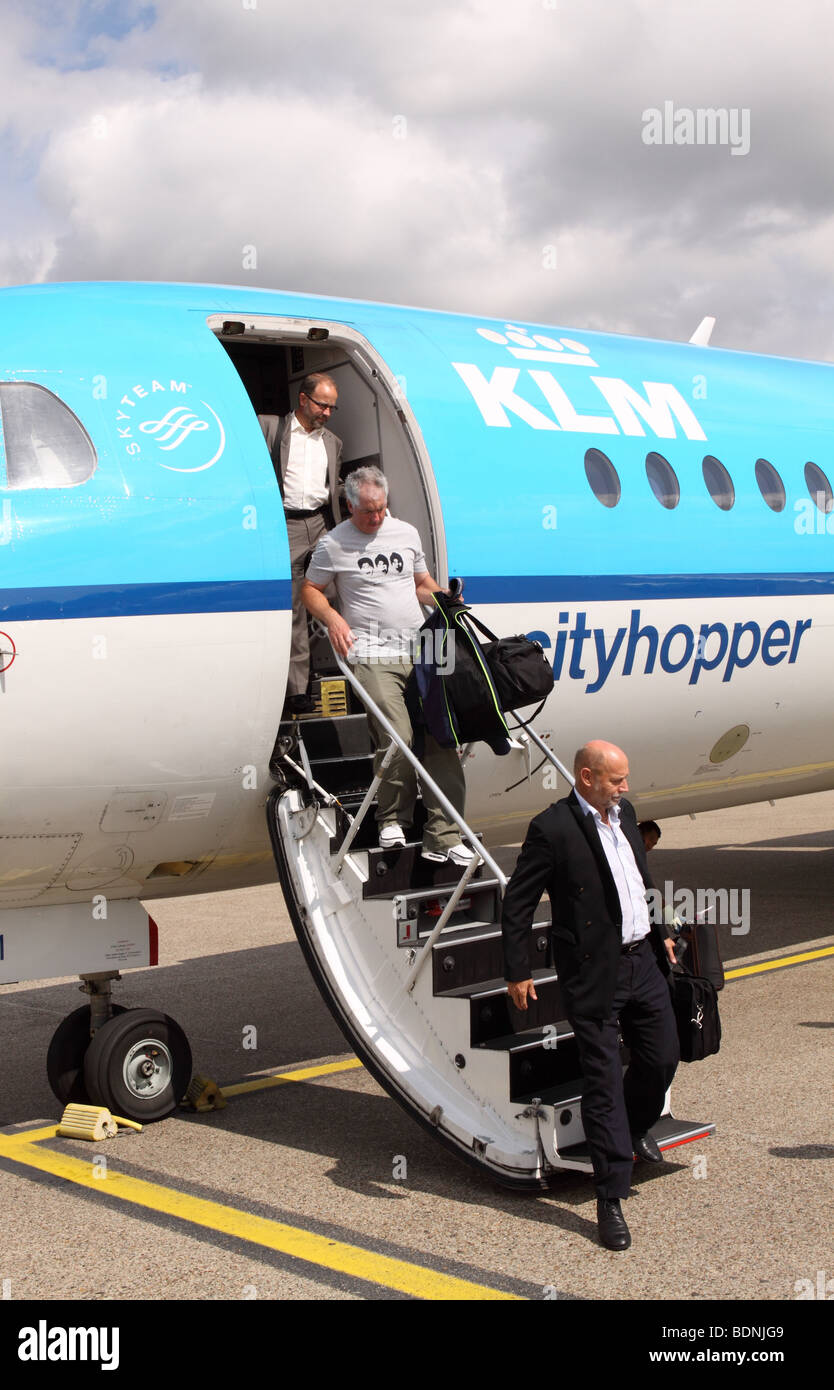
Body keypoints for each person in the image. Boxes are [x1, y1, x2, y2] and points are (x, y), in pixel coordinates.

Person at [501, 741, 678, 1251]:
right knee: (601, 1083)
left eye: (625, 780)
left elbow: (639, 879)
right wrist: (518, 969)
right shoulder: (551, 829)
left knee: (662, 1059)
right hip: (591, 972)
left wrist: (659, 928)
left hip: (642, 960)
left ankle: (632, 1128)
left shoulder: (626, 815)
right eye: (616, 780)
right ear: (586, 777)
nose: (626, 788)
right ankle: (610, 1197)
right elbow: (519, 901)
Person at [301, 465, 474, 864]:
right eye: (368, 512)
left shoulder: (405, 532)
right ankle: (392, 817)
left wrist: (444, 598)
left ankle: (444, 836)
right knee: (397, 735)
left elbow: (420, 584)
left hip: (420, 650)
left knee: (440, 737)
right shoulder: (333, 544)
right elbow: (311, 590)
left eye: (381, 509)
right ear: (349, 506)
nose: (377, 518)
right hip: (372, 653)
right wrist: (334, 618)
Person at [259, 373, 343, 716]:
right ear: (304, 400)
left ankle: (348, 668)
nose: (326, 412)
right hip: (288, 523)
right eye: (322, 405)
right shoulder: (270, 428)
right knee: (295, 603)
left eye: (332, 407)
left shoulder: (333, 442)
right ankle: (297, 690)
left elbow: (333, 485)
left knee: (340, 592)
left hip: (321, 523)